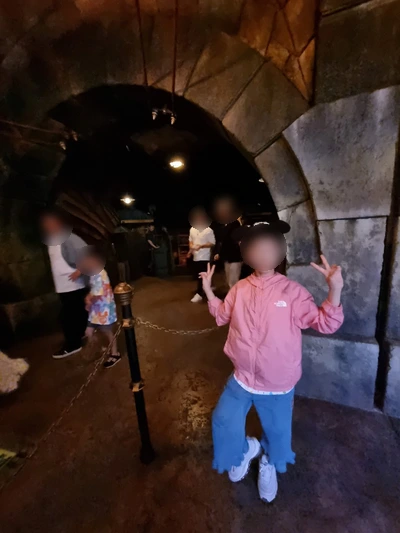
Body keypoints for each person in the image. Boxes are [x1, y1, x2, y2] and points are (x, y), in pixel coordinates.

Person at [199, 221, 344, 502]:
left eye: (268, 247)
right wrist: (209, 292)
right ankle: (245, 450)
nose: (261, 253)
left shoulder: (292, 292)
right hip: (242, 377)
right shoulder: (240, 289)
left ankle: (268, 461)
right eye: (254, 247)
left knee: (277, 435)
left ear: (280, 251)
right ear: (246, 253)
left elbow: (325, 323)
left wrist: (335, 290)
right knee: (223, 419)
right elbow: (222, 315)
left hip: (278, 383)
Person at [41, 209, 89, 359]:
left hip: (73, 285)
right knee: (76, 313)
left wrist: (80, 271)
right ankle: (79, 335)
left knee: (67, 317)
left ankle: (73, 345)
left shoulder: (69, 238)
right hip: (62, 286)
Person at [79, 247, 120, 369]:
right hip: (96, 310)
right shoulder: (94, 273)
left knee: (108, 332)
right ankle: (100, 347)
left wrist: (88, 299)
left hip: (103, 310)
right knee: (89, 332)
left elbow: (97, 292)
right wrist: (89, 301)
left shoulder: (100, 274)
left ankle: (115, 353)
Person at [213, 197, 243, 288]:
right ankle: (232, 296)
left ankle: (235, 297)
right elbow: (220, 240)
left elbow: (236, 238)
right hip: (226, 256)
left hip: (235, 257)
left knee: (233, 281)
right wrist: (217, 252)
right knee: (229, 281)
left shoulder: (234, 223)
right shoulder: (223, 225)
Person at [189, 207, 216, 303]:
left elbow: (212, 243)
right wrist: (191, 248)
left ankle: (199, 293)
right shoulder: (192, 229)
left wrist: (201, 246)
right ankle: (207, 287)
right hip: (195, 256)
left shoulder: (208, 230)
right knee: (198, 275)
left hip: (205, 257)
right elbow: (190, 241)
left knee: (202, 275)